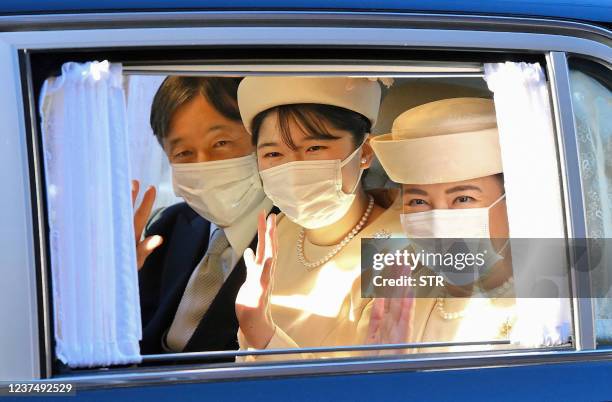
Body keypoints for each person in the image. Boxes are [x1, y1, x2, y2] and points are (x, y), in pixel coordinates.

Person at [232, 76, 429, 361]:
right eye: (273, 153)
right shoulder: (280, 232)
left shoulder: (412, 246)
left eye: (314, 148)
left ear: (365, 151)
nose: (293, 167)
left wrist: (264, 336)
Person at [134, 77, 275, 355]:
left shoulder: (382, 241)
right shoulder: (168, 227)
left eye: (221, 142)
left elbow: (383, 358)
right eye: (183, 152)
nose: (204, 165)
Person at [371, 97, 517, 350]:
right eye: (418, 202)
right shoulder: (397, 286)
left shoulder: (550, 311)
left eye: (463, 198)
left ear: (512, 202)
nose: (438, 221)